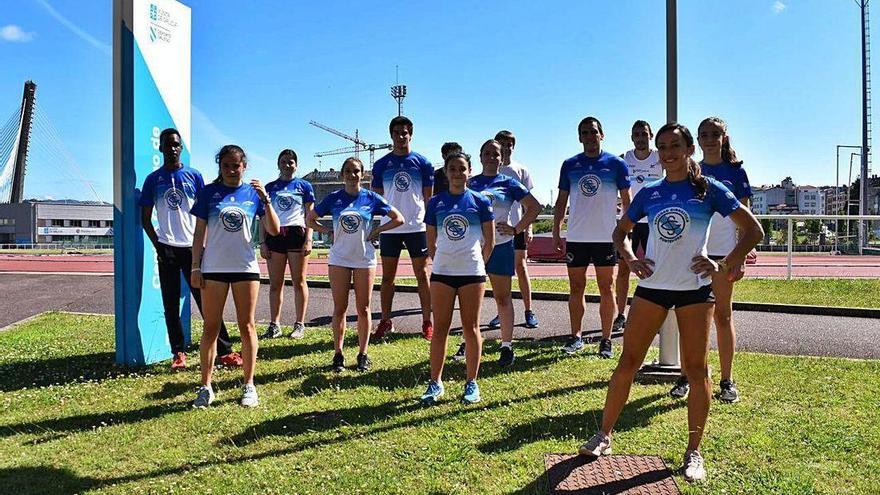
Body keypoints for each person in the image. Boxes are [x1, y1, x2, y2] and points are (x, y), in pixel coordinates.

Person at [577, 122, 763, 483]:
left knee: (696, 371)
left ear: (689, 149)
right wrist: (630, 259)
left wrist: (724, 264)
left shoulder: (709, 189)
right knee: (628, 361)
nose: (667, 153)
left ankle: (694, 452)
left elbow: (754, 229)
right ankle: (604, 435)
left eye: (674, 146)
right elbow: (620, 232)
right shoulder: (650, 191)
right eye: (662, 147)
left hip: (694, 291)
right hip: (653, 288)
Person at [139, 128, 242, 370]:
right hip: (167, 249)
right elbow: (145, 218)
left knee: (207, 303)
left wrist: (204, 244)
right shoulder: (153, 180)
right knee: (170, 303)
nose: (172, 149)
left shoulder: (194, 176)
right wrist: (158, 245)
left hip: (194, 250)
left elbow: (206, 211)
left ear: (181, 147)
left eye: (176, 144)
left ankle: (224, 351)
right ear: (161, 147)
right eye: (167, 145)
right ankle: (178, 353)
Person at [669, 117, 754, 403]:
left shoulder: (736, 172)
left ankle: (726, 380)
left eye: (714, 134)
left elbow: (746, 216)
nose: (708, 139)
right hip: (696, 253)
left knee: (723, 315)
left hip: (725, 253)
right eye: (703, 134)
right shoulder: (691, 170)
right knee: (689, 316)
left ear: (724, 137)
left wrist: (740, 255)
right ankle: (686, 376)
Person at [190, 144, 280, 408]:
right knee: (211, 327)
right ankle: (206, 386)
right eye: (226, 165)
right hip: (214, 268)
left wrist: (266, 199)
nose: (231, 170)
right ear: (220, 166)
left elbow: (274, 230)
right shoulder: (208, 192)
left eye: (235, 165)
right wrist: (196, 266)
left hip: (246, 268)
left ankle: (249, 385)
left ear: (244, 166)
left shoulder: (253, 194)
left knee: (247, 326)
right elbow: (198, 234)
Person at [307, 157, 404, 372]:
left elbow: (399, 218)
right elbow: (310, 219)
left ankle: (363, 354)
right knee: (340, 308)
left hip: (364, 259)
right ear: (342, 175)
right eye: (348, 171)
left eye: (357, 171)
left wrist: (377, 231)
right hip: (339, 259)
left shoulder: (371, 198)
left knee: (364, 308)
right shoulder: (333, 198)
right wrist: (327, 231)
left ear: (363, 175)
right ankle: (338, 354)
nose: (353, 175)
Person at [419, 151, 495, 405]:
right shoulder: (435, 203)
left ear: (469, 172)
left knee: (471, 328)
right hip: (442, 273)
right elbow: (430, 242)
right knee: (440, 328)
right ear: (446, 172)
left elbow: (490, 241)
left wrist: (476, 264)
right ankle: (435, 382)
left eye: (461, 168)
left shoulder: (480, 201)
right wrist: (442, 259)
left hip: (472, 273)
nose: (457, 173)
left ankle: (471, 383)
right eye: (452, 168)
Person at [552, 117, 631, 359]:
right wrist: (556, 230)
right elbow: (561, 201)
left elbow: (627, 201)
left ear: (602, 134)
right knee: (576, 287)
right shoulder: (570, 165)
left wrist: (625, 230)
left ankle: (606, 339)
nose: (589, 136)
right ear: (579, 137)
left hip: (606, 238)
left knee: (606, 288)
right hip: (577, 237)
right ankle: (576, 336)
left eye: (593, 132)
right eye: (585, 133)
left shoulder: (616, 164)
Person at [468, 139, 541, 367]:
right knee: (472, 299)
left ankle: (506, 346)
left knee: (502, 297)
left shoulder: (508, 183)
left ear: (502, 158)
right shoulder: (470, 183)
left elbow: (535, 207)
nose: (491, 157)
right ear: (480, 157)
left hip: (501, 245)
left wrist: (517, 229)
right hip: (473, 249)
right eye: (487, 153)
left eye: (495, 154)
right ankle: (469, 340)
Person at [371, 116, 434, 340]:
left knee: (422, 275)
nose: (401, 136)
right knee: (387, 278)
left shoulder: (423, 163)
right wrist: (375, 227)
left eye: (405, 132)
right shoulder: (380, 165)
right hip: (390, 228)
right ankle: (386, 321)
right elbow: (376, 201)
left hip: (417, 226)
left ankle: (427, 321)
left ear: (411, 134)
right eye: (397, 132)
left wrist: (430, 228)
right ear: (391, 135)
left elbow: (429, 199)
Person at [483, 130, 539, 330]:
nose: (506, 148)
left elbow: (530, 204)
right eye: (502, 144)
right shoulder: (481, 176)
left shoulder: (520, 170)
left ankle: (528, 310)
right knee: (495, 276)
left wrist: (525, 228)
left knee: (521, 268)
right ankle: (502, 313)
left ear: (513, 147)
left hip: (515, 228)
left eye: (509, 144)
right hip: (494, 233)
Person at [259, 149, 315, 340]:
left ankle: (299, 324)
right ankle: (275, 325)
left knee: (299, 281)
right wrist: (262, 241)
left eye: (291, 162)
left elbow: (310, 216)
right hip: (275, 234)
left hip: (296, 234)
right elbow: (263, 217)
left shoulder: (304, 186)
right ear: (278, 164)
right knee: (276, 284)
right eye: (283, 162)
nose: (287, 165)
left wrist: (309, 239)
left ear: (296, 165)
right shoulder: (270, 187)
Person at [614, 121, 663, 332]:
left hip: (654, 223)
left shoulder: (659, 157)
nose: (640, 138)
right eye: (637, 134)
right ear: (631, 137)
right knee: (624, 270)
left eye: (644, 134)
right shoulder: (623, 159)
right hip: (630, 222)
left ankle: (660, 314)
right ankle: (620, 314)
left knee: (657, 268)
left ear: (650, 136)